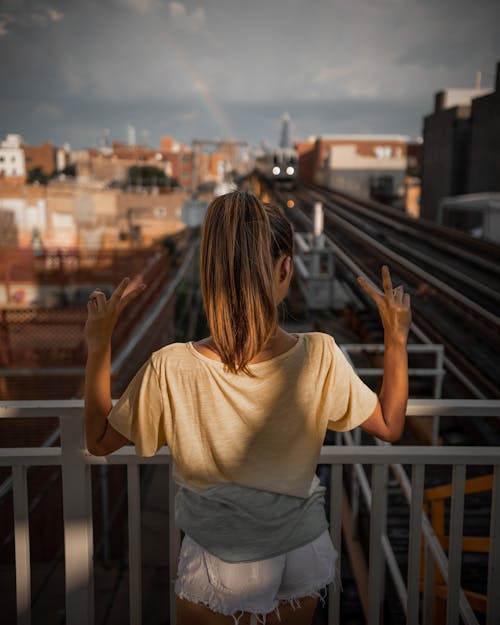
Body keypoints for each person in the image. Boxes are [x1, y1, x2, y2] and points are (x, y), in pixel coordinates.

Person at [84, 191, 411, 625]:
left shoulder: (171, 366)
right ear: (284, 270)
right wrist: (396, 338)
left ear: (209, 276)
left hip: (221, 556)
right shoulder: (321, 354)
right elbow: (389, 424)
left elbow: (100, 439)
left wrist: (99, 346)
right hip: (303, 549)